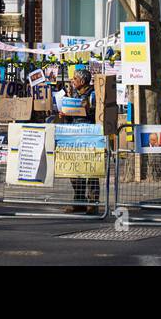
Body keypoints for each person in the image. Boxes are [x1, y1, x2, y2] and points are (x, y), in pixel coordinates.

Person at [57, 67, 100, 214]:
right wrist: (65, 114)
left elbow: (97, 112)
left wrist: (88, 108)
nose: (72, 81)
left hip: (89, 134)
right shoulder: (74, 93)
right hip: (74, 134)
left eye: (74, 79)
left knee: (91, 169)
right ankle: (79, 201)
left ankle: (92, 202)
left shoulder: (93, 94)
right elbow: (71, 114)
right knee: (75, 170)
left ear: (82, 81)